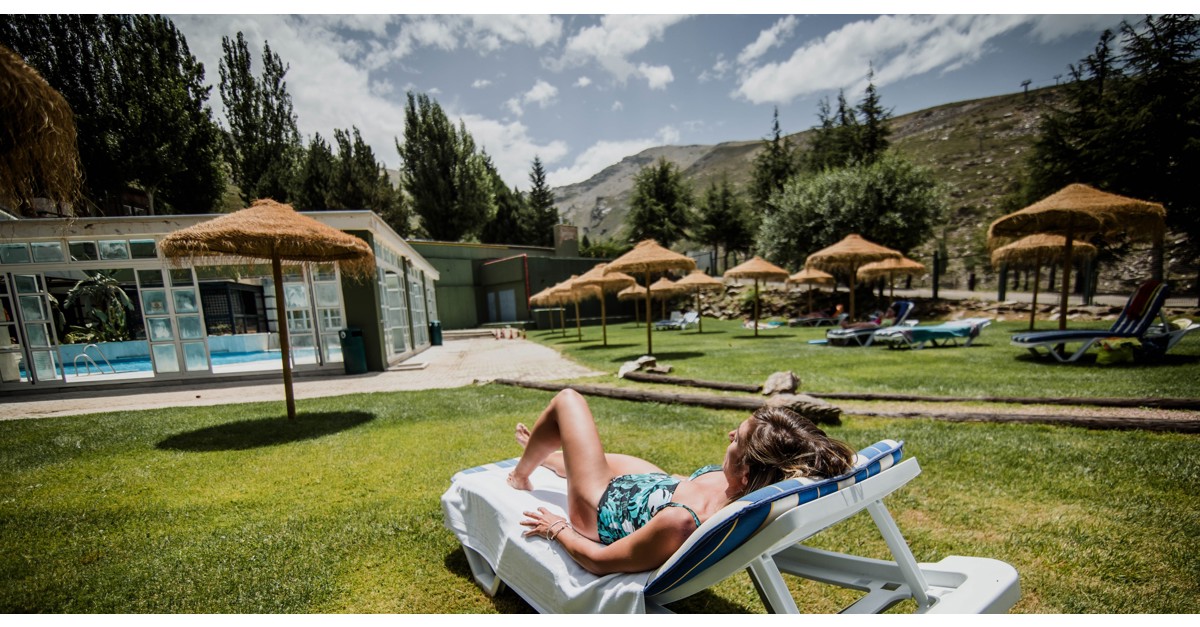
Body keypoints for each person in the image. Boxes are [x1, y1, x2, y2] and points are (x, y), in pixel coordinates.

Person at [508, 388, 856, 575]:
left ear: (747, 473)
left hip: (602, 503)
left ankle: (523, 472)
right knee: (579, 455)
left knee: (568, 401)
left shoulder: (680, 522)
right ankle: (554, 458)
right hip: (657, 488)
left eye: (737, 439)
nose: (730, 433)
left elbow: (600, 562)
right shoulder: (747, 489)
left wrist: (557, 528)